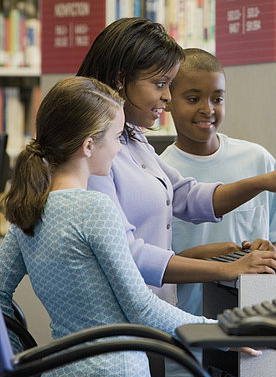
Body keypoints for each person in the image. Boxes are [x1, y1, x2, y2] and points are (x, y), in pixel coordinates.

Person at [77, 18, 276, 306]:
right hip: (127, 322)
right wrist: (227, 268)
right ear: (120, 79)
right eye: (159, 84)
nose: (166, 97)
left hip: (152, 313)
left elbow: (187, 196)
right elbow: (128, 254)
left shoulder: (132, 138)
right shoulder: (95, 154)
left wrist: (264, 181)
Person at [0, 76, 216, 377]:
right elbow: (142, 309)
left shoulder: (28, 210)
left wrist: (17, 362)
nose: (118, 150)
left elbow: (0, 293)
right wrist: (223, 333)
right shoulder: (94, 208)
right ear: (89, 145)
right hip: (116, 368)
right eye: (117, 138)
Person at [161, 48, 276, 376]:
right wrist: (215, 258)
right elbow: (154, 266)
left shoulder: (258, 161)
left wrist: (268, 253)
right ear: (167, 101)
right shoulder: (159, 171)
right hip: (189, 336)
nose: (207, 109)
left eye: (217, 99)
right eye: (193, 98)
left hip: (254, 331)